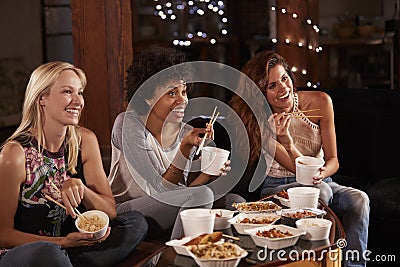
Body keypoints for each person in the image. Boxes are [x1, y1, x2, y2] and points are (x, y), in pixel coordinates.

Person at [229, 50, 370, 267]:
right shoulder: (261, 122)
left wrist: (323, 172)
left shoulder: (321, 101)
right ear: (261, 93)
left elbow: (333, 160)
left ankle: (354, 265)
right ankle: (318, 262)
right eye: (271, 85)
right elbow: (300, 172)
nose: (282, 89)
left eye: (284, 79)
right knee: (321, 192)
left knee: (359, 199)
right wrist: (287, 142)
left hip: (323, 182)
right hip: (277, 188)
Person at [0, 62, 148, 267]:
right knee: (49, 253)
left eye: (80, 92)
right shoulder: (14, 154)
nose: (78, 101)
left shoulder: (85, 140)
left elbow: (110, 212)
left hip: (72, 247)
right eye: (67, 92)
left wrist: (82, 189)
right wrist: (63, 243)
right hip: (30, 251)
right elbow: (3, 234)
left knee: (136, 222)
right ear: (42, 98)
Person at [107, 46, 245, 240]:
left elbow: (182, 193)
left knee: (235, 202)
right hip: (129, 211)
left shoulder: (185, 131)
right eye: (172, 93)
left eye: (184, 92)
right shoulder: (128, 123)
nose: (183, 100)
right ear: (147, 97)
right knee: (204, 195)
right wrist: (184, 149)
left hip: (169, 208)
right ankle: (176, 258)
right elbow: (159, 188)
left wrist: (208, 172)